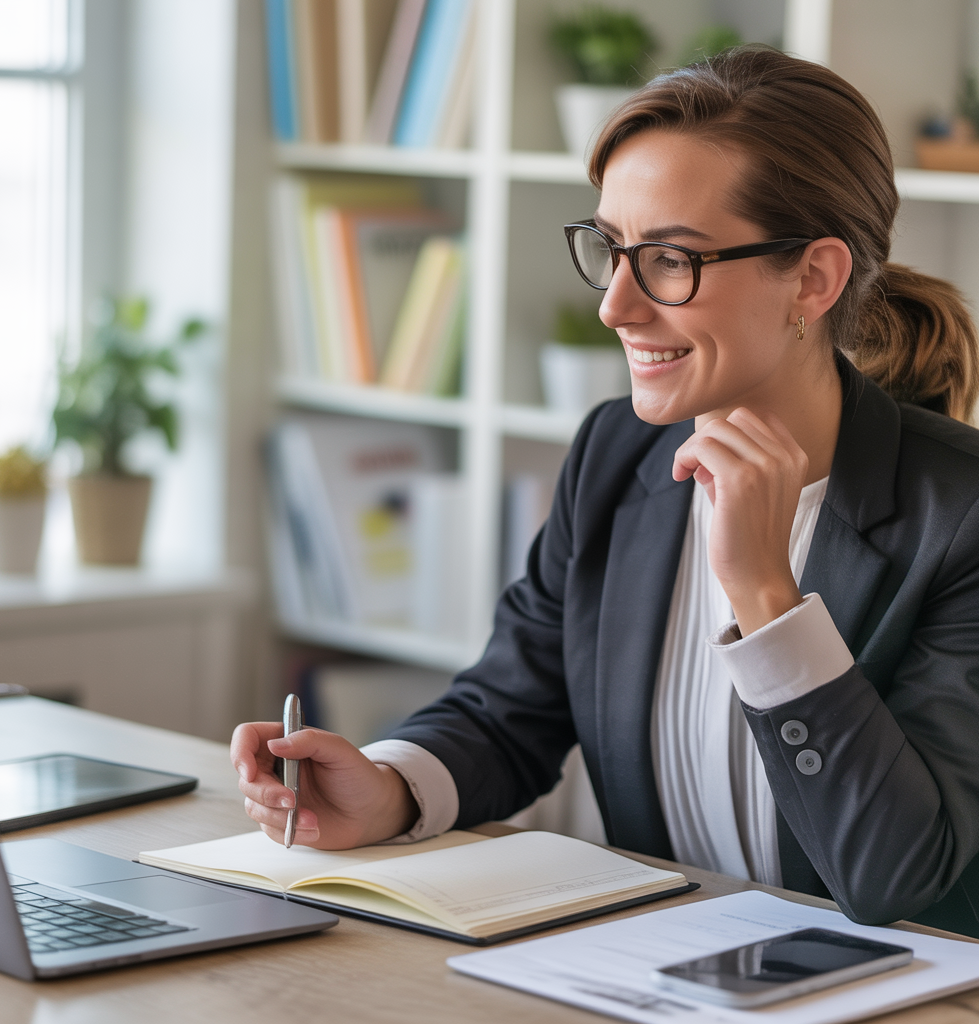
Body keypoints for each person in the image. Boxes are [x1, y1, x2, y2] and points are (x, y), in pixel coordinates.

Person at [233, 47, 979, 937]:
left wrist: (767, 600)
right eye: (611, 249)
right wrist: (388, 790)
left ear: (813, 280)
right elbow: (512, 707)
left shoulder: (958, 517)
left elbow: (899, 872)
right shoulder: (616, 454)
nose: (614, 306)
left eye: (669, 259)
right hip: (665, 976)